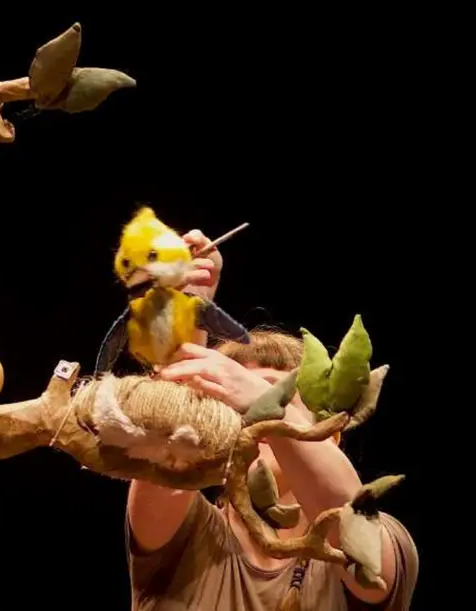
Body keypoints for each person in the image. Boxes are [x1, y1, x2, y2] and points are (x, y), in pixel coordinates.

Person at [124, 230, 419, 610]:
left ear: (330, 436)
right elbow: (167, 433)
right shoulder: (184, 537)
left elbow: (365, 552)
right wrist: (187, 313)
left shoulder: (384, 539)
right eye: (230, 401)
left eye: (273, 392)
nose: (249, 412)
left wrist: (263, 401)